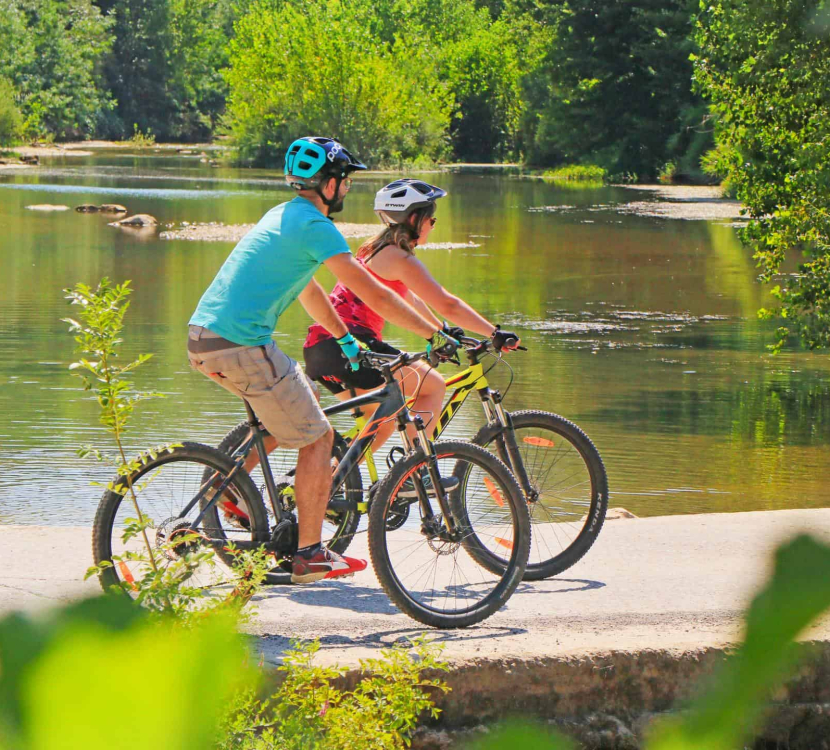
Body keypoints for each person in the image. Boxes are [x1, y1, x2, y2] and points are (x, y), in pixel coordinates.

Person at [187, 139, 457, 584]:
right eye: (345, 181)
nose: (347, 189)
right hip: (241, 344)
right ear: (329, 184)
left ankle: (229, 484)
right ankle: (310, 552)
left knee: (302, 400)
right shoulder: (317, 226)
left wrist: (345, 339)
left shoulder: (280, 216)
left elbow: (308, 291)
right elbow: (372, 292)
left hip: (204, 340)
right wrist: (433, 333)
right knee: (318, 437)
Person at [303, 178, 520, 459]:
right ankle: (413, 470)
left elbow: (410, 300)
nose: (433, 224)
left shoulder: (374, 250)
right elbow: (448, 303)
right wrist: (495, 333)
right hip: (352, 345)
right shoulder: (400, 258)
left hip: (321, 347)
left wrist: (441, 330)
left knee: (382, 424)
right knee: (433, 386)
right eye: (432, 218)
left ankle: (330, 482)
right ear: (415, 218)